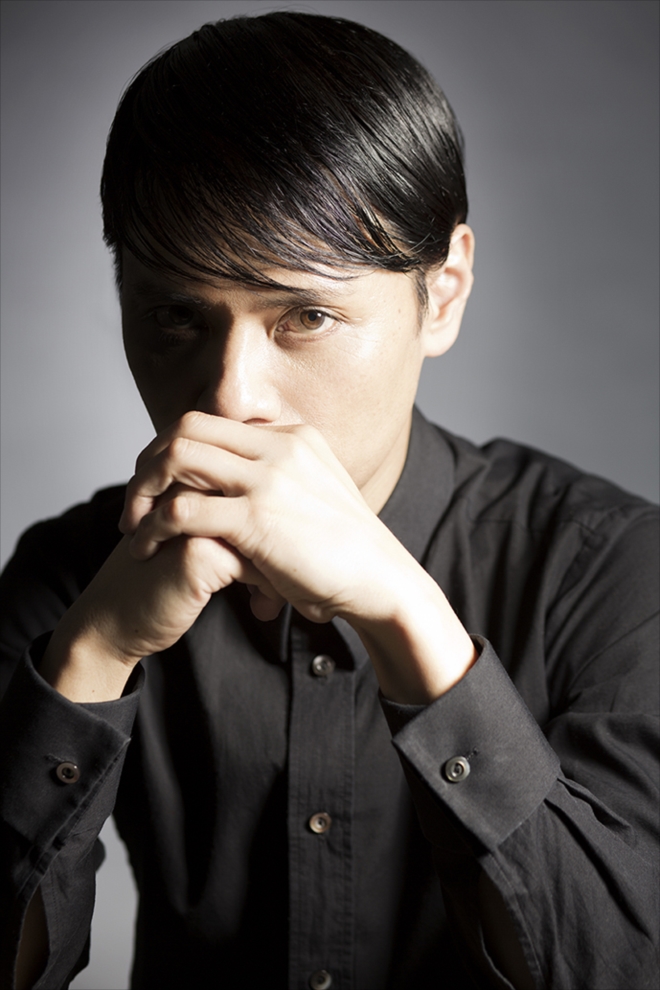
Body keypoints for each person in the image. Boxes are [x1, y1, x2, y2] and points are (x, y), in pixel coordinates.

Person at [0, 10, 657, 990]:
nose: (230, 400)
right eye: (176, 316)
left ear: (443, 293)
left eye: (306, 314)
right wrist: (91, 658)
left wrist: (406, 619)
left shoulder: (612, 568)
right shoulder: (73, 577)